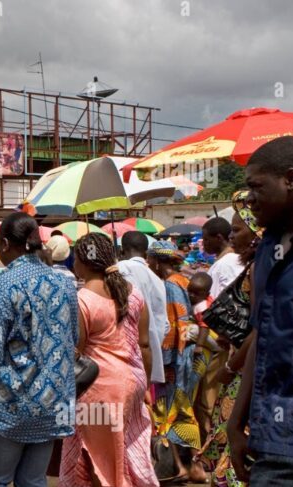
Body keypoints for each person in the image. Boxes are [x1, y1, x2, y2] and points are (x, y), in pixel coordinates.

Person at [0, 213, 78, 487]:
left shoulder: (3, 286)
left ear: (4, 244)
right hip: (51, 404)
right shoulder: (65, 284)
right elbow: (73, 340)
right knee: (33, 480)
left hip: (9, 407)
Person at [59, 233, 158, 486]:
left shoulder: (81, 300)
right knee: (122, 453)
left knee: (97, 460)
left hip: (97, 389)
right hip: (132, 383)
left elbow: (76, 353)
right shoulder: (133, 294)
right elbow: (144, 344)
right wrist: (145, 386)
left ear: (82, 262)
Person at [229, 136, 293, 485]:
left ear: (291, 179)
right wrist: (235, 422)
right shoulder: (269, 249)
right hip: (273, 441)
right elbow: (262, 337)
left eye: (256, 187)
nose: (249, 199)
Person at [200, 190, 260, 486]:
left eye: (237, 229)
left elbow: (259, 330)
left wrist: (230, 367)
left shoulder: (263, 268)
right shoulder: (257, 266)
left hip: (247, 370)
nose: (231, 235)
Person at [147, 240, 209, 483]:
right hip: (184, 358)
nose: (149, 264)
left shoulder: (171, 286)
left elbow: (176, 326)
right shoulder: (183, 281)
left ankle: (186, 466)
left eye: (151, 259)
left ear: (157, 261)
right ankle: (190, 465)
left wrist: (165, 362)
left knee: (170, 412)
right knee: (181, 411)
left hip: (175, 359)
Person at [117, 231, 170, 385]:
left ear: (122, 251)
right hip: (149, 357)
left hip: (125, 354)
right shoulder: (157, 280)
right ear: (146, 253)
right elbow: (164, 325)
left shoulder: (119, 269)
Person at [202, 217, 244, 298]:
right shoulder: (228, 260)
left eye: (206, 239)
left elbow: (220, 297)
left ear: (219, 238)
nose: (204, 243)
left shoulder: (227, 263)